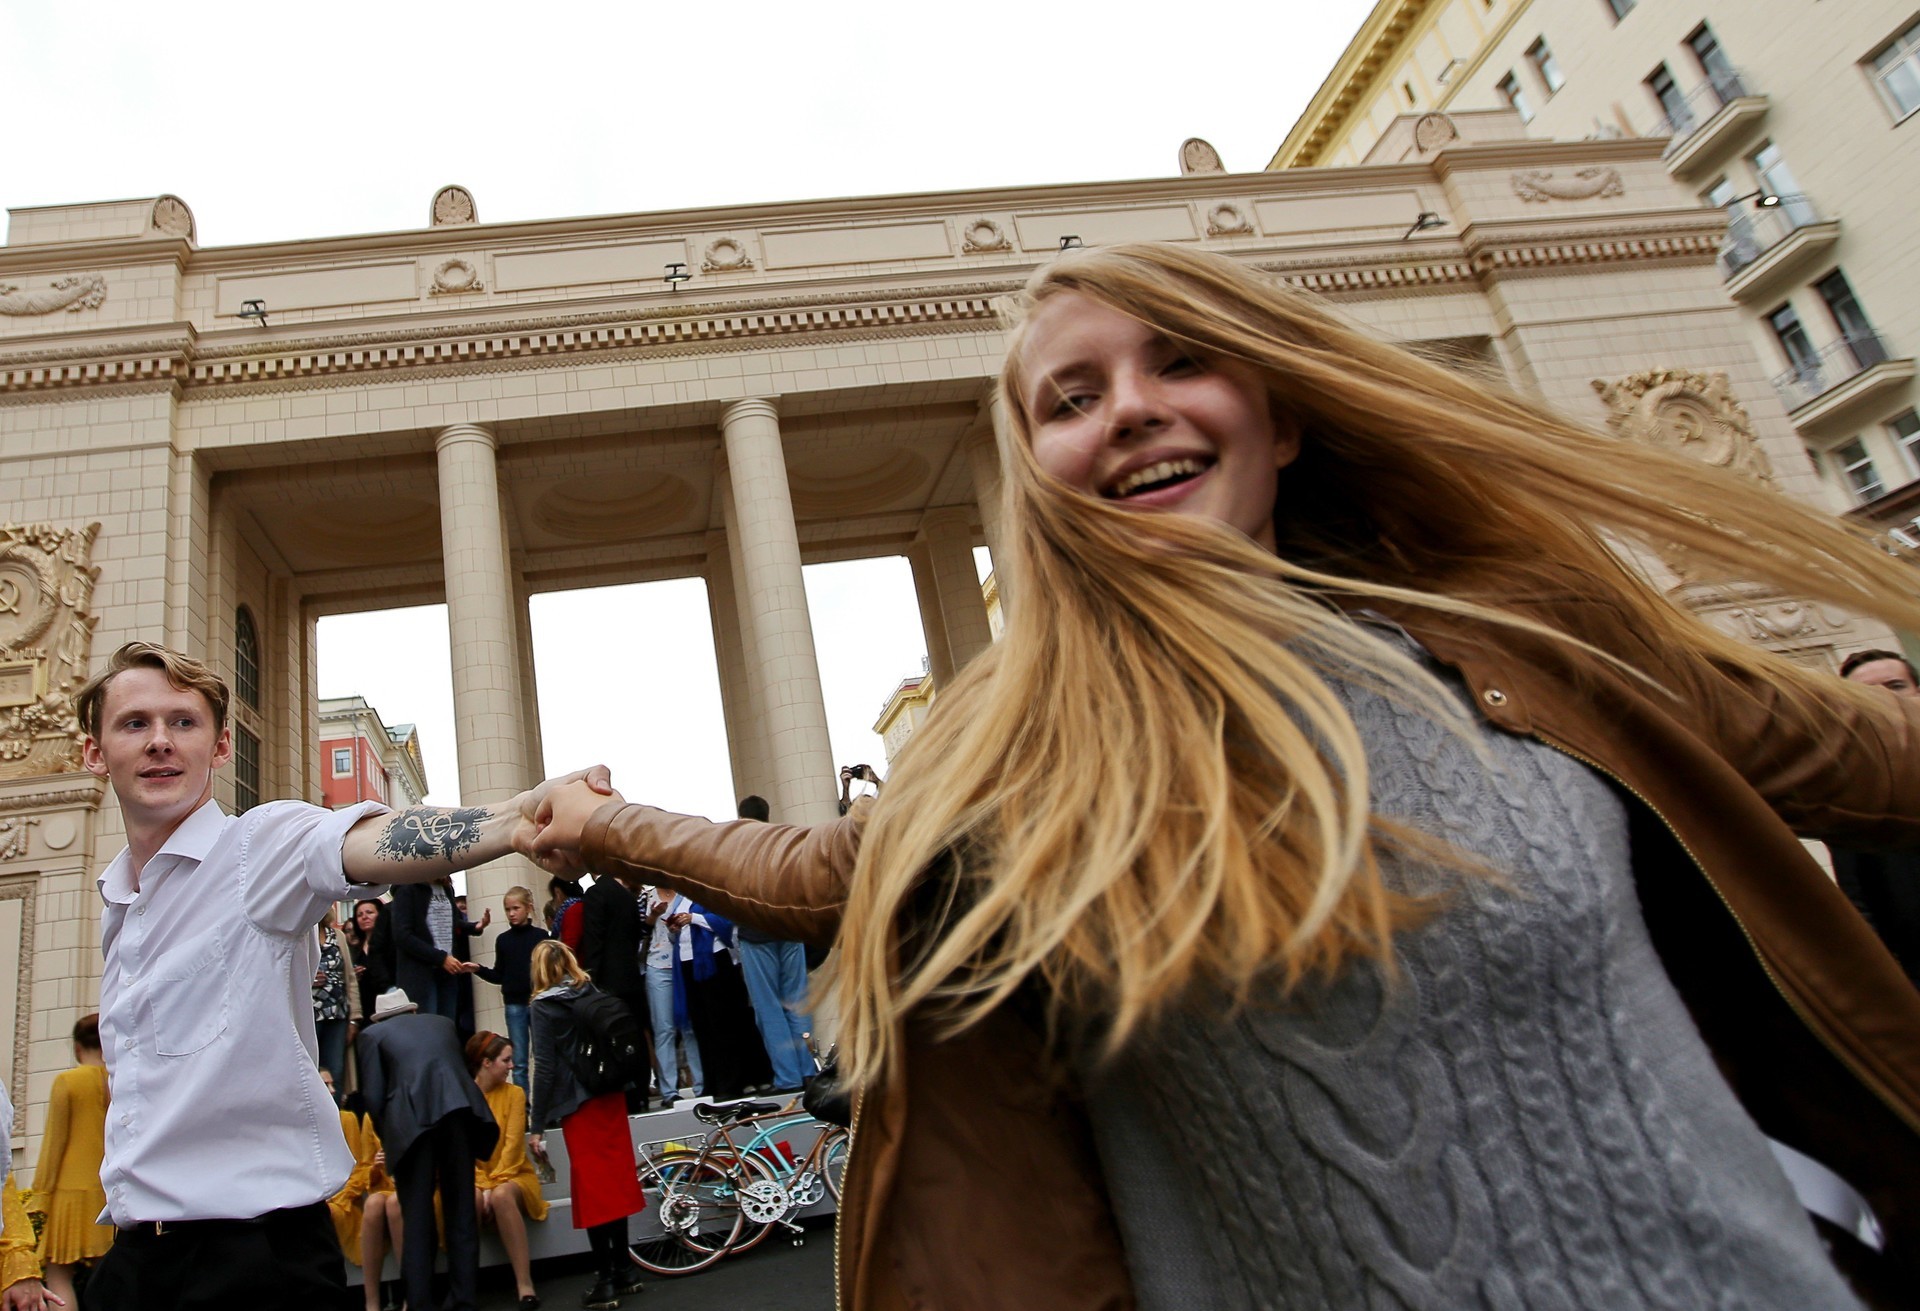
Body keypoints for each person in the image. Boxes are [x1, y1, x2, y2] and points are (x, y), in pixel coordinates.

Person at [533, 243, 1920, 1309]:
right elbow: (810, 874)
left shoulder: (1537, 648)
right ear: (1044, 482)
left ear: (1283, 414)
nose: (1129, 412)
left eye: (1178, 363)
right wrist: (608, 822)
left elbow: (1871, 761)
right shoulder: (1021, 764)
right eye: (1071, 399)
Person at [72, 640, 599, 1311]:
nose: (160, 742)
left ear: (221, 745)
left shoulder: (256, 850)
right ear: (95, 751)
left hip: (253, 1264)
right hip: (136, 1260)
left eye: (183, 721)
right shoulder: (120, 902)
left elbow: (366, 841)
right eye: (134, 723)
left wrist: (518, 820)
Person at [356, 988, 497, 1311]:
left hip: (411, 1124)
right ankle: (464, 1300)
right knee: (461, 1211)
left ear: (382, 1017)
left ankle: (420, 1303)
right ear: (412, 1011)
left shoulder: (372, 1035)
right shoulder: (443, 1023)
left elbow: (374, 1098)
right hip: (459, 1113)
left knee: (417, 1218)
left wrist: (388, 1139)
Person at [528, 940, 645, 1310]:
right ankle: (625, 1268)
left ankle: (605, 1279)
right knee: (614, 1180)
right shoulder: (589, 991)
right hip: (609, 1093)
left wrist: (537, 1124)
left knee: (592, 1189)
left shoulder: (543, 1007)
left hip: (577, 1102)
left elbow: (545, 1067)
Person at [1831, 650, 1920, 987]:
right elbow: (1858, 900)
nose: (1884, 699)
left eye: (1895, 685)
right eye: (1867, 693)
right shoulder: (1851, 794)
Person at [731, 796, 816, 1092]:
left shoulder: (739, 849)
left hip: (756, 935)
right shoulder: (785, 843)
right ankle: (808, 1070)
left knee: (769, 1008)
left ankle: (787, 1077)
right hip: (790, 931)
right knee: (797, 1003)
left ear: (742, 817)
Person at [28, 1015, 110, 1307]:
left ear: (77, 1048)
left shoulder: (68, 1081)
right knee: (113, 1273)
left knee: (58, 1274)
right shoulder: (117, 1083)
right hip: (107, 1193)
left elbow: (55, 1142)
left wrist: (41, 1193)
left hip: (69, 1192)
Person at [465, 1031, 547, 1309]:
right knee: (471, 1198)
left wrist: (491, 1184)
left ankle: (525, 1284)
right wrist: (482, 1184)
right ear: (486, 1063)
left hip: (513, 1174)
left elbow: (512, 1149)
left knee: (501, 1195)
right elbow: (462, 1153)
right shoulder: (463, 1096)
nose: (512, 1066)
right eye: (506, 1060)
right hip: (475, 1178)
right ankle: (466, 1288)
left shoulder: (515, 1094)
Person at [666, 894, 772, 1099]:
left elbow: (724, 923)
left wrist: (693, 918)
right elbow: (676, 936)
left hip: (714, 959)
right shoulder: (679, 899)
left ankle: (733, 1081)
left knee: (723, 1023)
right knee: (702, 1025)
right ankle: (713, 1082)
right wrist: (674, 929)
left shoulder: (710, 894)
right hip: (688, 962)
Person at [577, 868, 651, 1109]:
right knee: (635, 1036)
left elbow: (594, 940)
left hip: (608, 982)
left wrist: (591, 978)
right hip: (631, 976)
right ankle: (641, 1090)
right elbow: (634, 937)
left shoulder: (596, 894)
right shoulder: (627, 895)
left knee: (613, 1039)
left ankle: (624, 1095)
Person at [472, 886, 550, 1089]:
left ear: (528, 908)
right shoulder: (503, 940)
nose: (511, 914)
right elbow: (499, 975)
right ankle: (522, 1109)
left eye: (516, 908)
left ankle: (548, 1108)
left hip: (538, 1002)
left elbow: (549, 972)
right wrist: (478, 969)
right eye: (508, 909)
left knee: (544, 1057)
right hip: (515, 1004)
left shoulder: (541, 936)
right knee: (519, 1062)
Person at [643, 885, 702, 1106]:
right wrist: (654, 916)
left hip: (685, 961)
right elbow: (639, 930)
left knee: (689, 1026)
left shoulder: (687, 892)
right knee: (664, 1028)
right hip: (657, 963)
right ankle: (669, 1089)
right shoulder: (646, 896)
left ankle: (700, 1083)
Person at [390, 876, 480, 1022]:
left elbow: (451, 921)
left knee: (446, 1026)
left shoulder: (446, 889)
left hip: (448, 972)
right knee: (426, 1026)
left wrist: (474, 927)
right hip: (421, 974)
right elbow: (402, 935)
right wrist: (441, 958)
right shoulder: (406, 888)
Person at [313, 905, 361, 1098]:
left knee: (336, 1071)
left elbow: (350, 977)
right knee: (311, 1070)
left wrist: (354, 1018)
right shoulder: (298, 937)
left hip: (338, 1014)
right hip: (308, 1016)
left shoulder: (338, 936)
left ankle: (339, 1121)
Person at [347, 897, 397, 1010]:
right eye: (359, 915)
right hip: (364, 1002)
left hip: (388, 999)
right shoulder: (354, 948)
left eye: (369, 912)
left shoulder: (392, 943)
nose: (364, 917)